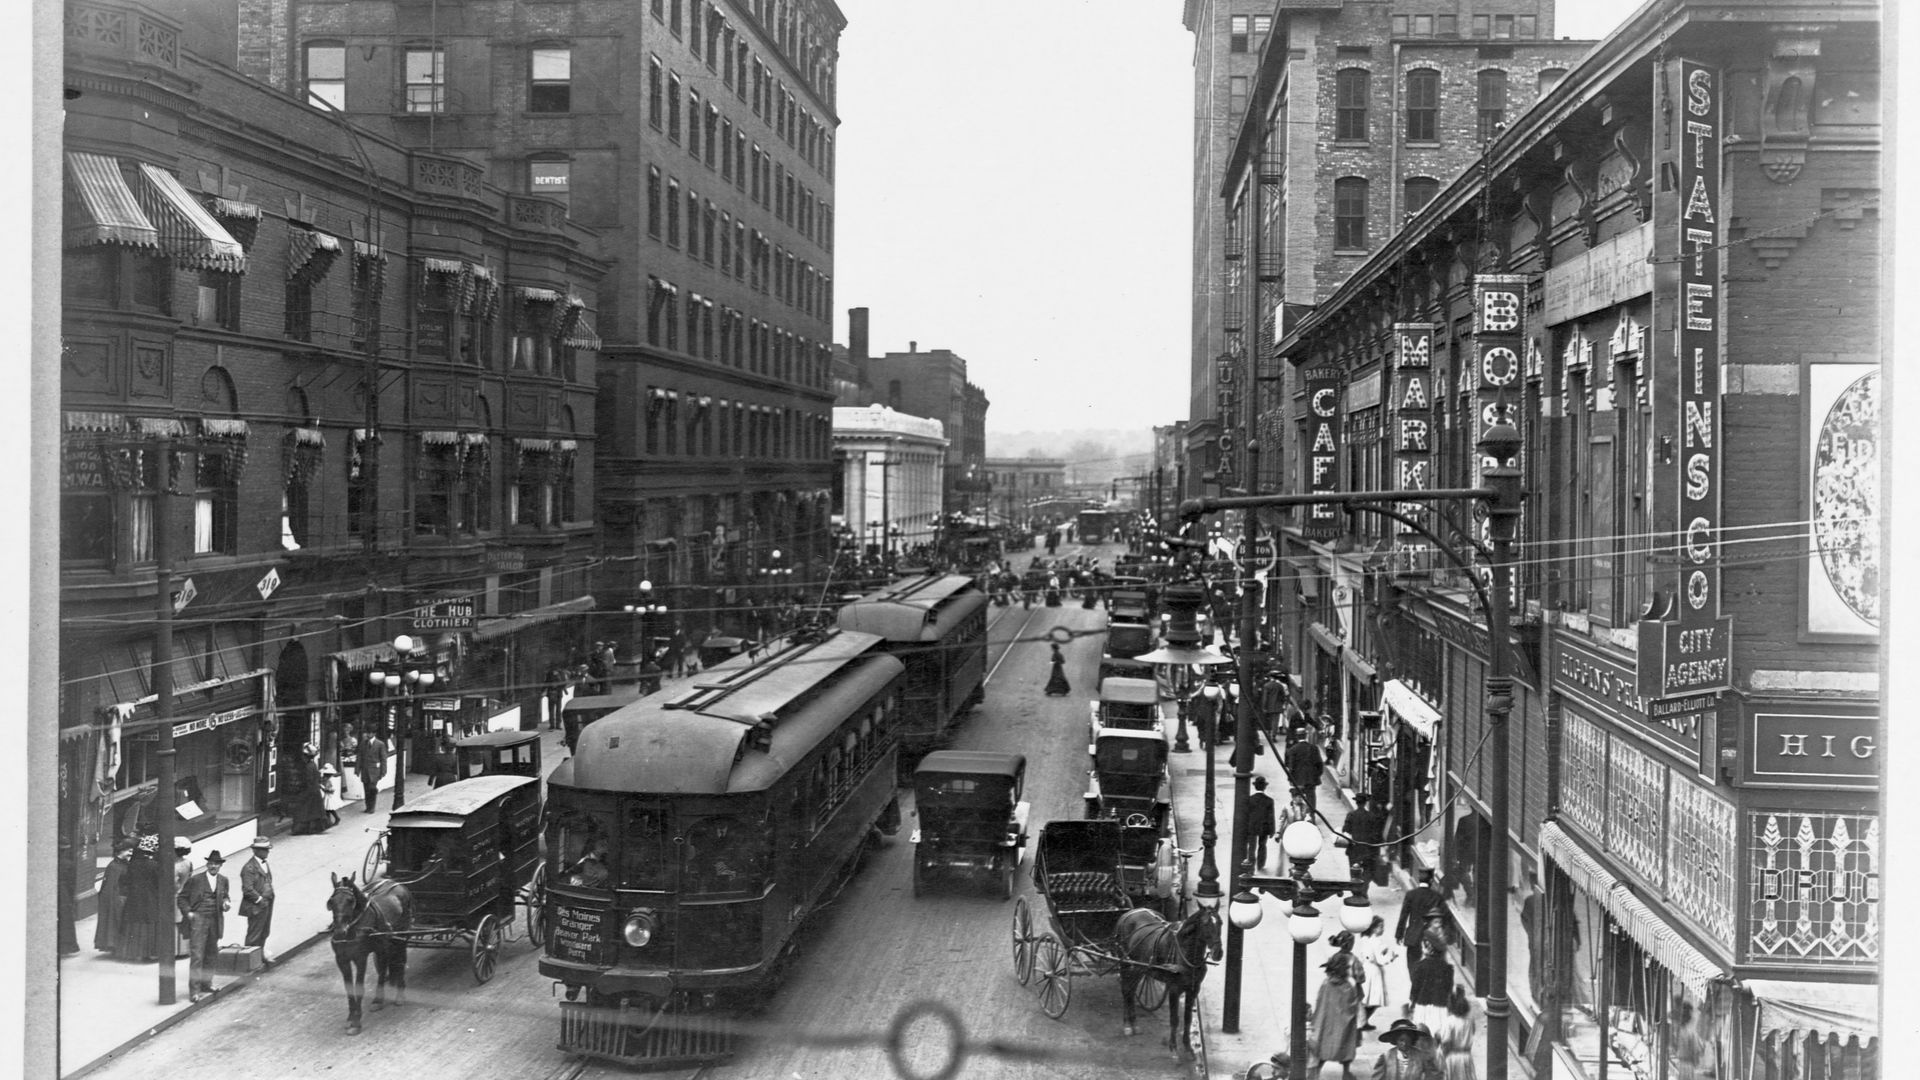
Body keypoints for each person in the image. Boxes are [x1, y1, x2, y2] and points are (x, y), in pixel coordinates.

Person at [177, 849, 230, 1003]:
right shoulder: (196, 880)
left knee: (211, 953)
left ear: (220, 866)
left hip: (215, 919)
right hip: (199, 920)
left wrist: (226, 902)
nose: (213, 866)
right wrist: (188, 913)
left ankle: (207, 984)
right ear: (207, 864)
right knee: (197, 955)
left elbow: (225, 895)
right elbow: (182, 898)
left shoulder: (223, 880)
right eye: (211, 863)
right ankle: (194, 990)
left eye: (216, 864)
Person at [1310, 950, 1363, 1080]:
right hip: (1344, 1025)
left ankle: (1317, 1071)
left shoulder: (1326, 985)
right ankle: (1346, 1072)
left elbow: (1320, 1005)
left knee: (1323, 1050)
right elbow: (1353, 1004)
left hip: (1327, 1025)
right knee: (1347, 1048)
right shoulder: (1348, 986)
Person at [116, 830, 162, 962]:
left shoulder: (133, 864)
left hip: (134, 900)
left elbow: (125, 881)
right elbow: (159, 883)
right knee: (149, 925)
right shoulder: (154, 865)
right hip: (150, 900)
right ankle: (150, 953)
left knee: (134, 925)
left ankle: (135, 953)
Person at [1396, 870, 1444, 979]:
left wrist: (1399, 934)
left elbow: (1403, 916)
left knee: (1412, 964)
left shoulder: (1411, 895)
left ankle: (1415, 985)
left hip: (1413, 936)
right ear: (1431, 880)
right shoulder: (1436, 896)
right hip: (1431, 937)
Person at [1356, 915, 1401, 1030]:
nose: (1383, 929)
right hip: (1374, 971)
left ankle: (1362, 1021)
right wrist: (1391, 957)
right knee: (1374, 1000)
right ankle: (1362, 1021)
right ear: (1373, 928)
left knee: (1367, 998)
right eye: (1380, 927)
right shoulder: (1377, 942)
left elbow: (1361, 956)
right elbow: (1380, 960)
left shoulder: (1364, 940)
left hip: (1365, 969)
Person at [1408, 935, 1455, 1040]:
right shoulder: (1447, 968)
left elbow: (1415, 988)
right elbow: (1449, 988)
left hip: (1423, 1004)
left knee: (1422, 1034)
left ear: (1428, 948)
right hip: (1440, 1005)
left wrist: (1412, 1002)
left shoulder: (1419, 966)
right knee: (1439, 1034)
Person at [239, 837, 275, 965]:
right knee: (254, 933)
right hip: (257, 905)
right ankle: (249, 962)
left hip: (267, 902)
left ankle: (259, 956)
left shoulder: (264, 863)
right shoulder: (249, 868)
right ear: (256, 851)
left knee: (265, 931)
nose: (267, 852)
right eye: (264, 850)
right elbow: (247, 889)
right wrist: (260, 900)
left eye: (267, 849)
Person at [93, 839, 134, 955]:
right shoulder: (114, 866)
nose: (130, 853)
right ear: (120, 851)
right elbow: (111, 886)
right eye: (128, 850)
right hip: (118, 898)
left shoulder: (122, 864)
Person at [1372, 1018, 1444, 1080]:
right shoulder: (1386, 1057)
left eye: (1407, 1040)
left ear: (1412, 1040)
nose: (1404, 1044)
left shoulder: (1421, 1056)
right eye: (1401, 1040)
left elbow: (1434, 1076)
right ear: (1395, 1040)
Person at [1435, 985, 1478, 1080]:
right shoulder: (1470, 1020)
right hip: (1467, 1056)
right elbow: (1473, 1032)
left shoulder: (1449, 1021)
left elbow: (1446, 1041)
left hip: (1452, 1057)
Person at [1344, 793, 1389, 886]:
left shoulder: (1351, 815)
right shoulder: (1371, 816)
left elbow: (1345, 829)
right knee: (1367, 871)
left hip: (1354, 848)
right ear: (1365, 803)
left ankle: (1355, 889)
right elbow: (1376, 834)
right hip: (1367, 849)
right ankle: (1363, 890)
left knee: (1354, 870)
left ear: (1356, 803)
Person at [1285, 724, 1327, 812]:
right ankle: (1311, 816)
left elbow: (1291, 766)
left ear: (1297, 736)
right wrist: (1316, 776)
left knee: (1297, 798)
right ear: (1306, 735)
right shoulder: (1313, 748)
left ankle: (1298, 815)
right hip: (1311, 779)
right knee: (1311, 797)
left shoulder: (1292, 750)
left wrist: (1290, 779)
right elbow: (1319, 764)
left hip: (1297, 780)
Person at [292, 744, 329, 834]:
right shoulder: (313, 764)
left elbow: (308, 780)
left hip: (309, 791)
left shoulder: (308, 766)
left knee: (304, 810)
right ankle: (313, 829)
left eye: (304, 756)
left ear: (307, 757)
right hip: (314, 790)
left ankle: (301, 829)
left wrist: (302, 790)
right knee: (314, 811)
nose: (302, 758)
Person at [1243, 775, 1278, 868]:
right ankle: (1260, 865)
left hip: (1252, 827)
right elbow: (1271, 817)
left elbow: (1246, 815)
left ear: (1255, 786)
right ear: (1265, 787)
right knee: (1262, 846)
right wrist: (1272, 830)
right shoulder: (1269, 800)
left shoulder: (1250, 799)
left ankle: (1251, 865)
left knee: (1251, 847)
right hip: (1264, 827)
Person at [357, 729, 388, 813]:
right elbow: (359, 756)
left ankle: (372, 807)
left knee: (372, 788)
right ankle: (368, 807)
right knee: (366, 790)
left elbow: (383, 759)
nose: (368, 734)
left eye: (370, 732)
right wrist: (357, 769)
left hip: (375, 771)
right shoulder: (363, 743)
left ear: (374, 733)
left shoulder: (380, 744)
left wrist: (383, 771)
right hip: (365, 770)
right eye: (367, 732)